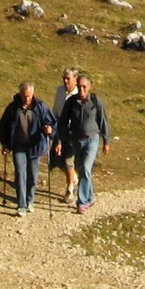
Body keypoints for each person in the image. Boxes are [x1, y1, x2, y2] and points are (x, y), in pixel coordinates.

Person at [0, 82, 55, 216]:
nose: (27, 99)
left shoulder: (40, 107)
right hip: (19, 145)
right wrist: (5, 144)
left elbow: (51, 122)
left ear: (33, 94)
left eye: (29, 96)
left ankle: (30, 200)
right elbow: (3, 125)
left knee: (32, 175)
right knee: (20, 173)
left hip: (35, 145)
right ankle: (21, 204)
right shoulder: (13, 107)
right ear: (20, 94)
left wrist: (49, 129)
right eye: (24, 96)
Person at [56, 73, 111, 213]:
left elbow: (103, 120)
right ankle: (90, 197)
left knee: (86, 168)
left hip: (92, 139)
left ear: (89, 87)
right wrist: (60, 139)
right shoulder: (71, 102)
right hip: (76, 140)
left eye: (84, 87)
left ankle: (82, 202)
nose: (82, 89)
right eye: (79, 86)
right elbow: (62, 122)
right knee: (82, 170)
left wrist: (106, 141)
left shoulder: (96, 101)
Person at [51, 66, 81, 202]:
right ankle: (74, 178)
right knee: (56, 160)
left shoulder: (79, 94)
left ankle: (70, 189)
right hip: (59, 128)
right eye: (64, 78)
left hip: (71, 132)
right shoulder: (60, 90)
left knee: (69, 160)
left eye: (68, 78)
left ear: (75, 79)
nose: (65, 81)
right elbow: (55, 110)